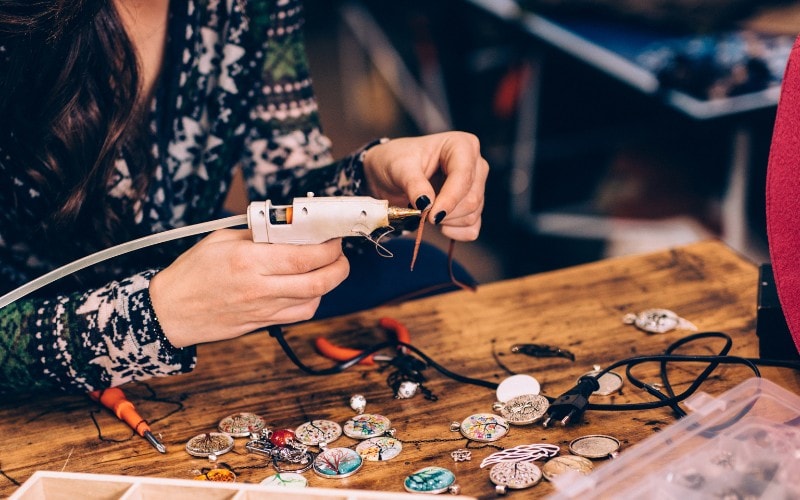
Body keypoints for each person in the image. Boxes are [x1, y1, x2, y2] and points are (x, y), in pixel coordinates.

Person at [0, 0, 488, 395]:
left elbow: (288, 191)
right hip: (40, 331)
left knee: (424, 275)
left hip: (201, 296)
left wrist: (368, 184)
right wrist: (157, 314)